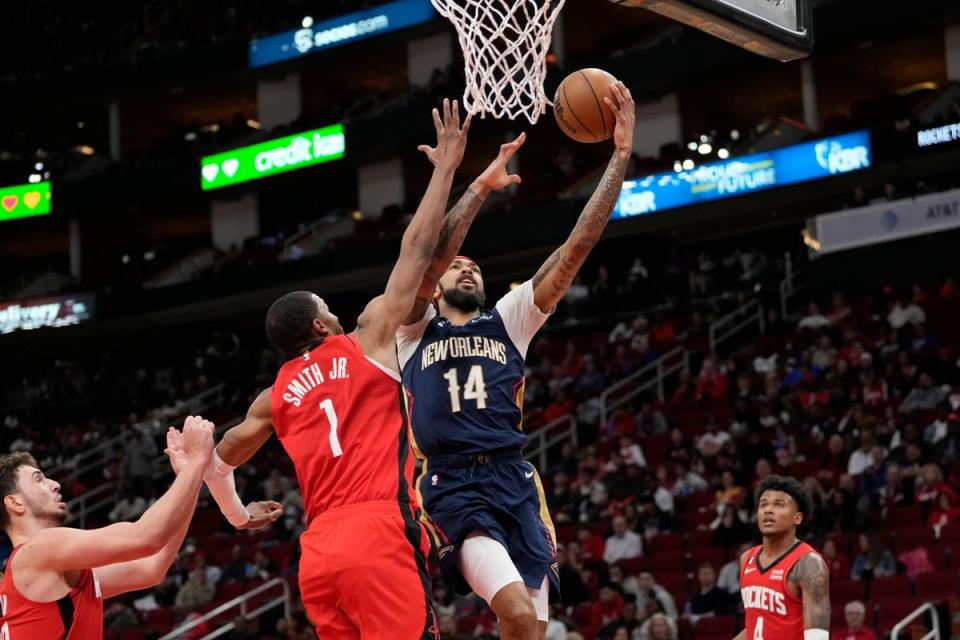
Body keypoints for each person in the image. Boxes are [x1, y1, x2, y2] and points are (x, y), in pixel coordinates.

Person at [200, 100, 476, 639]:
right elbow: (419, 252)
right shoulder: (365, 342)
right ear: (322, 327)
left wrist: (237, 516)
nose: (338, 313)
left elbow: (216, 463)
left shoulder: (272, 397)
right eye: (329, 308)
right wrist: (446, 169)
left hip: (319, 552)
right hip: (377, 530)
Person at [395, 83, 636, 639]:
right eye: (459, 267)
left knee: (532, 631)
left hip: (516, 481)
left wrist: (619, 157)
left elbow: (574, 249)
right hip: (452, 486)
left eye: (475, 266)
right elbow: (430, 257)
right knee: (519, 615)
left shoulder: (509, 320)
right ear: (437, 287)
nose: (468, 269)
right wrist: (478, 186)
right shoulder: (410, 329)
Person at [0, 416, 217, 638]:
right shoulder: (38, 549)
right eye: (38, 480)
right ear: (15, 503)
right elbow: (145, 538)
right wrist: (197, 460)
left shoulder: (49, 571)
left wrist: (190, 478)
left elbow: (151, 567)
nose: (55, 484)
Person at [736, 475, 830, 640]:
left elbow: (817, 636)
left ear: (797, 518)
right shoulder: (747, 558)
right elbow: (758, 625)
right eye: (763, 504)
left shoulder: (809, 564)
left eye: (779, 505)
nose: (768, 510)